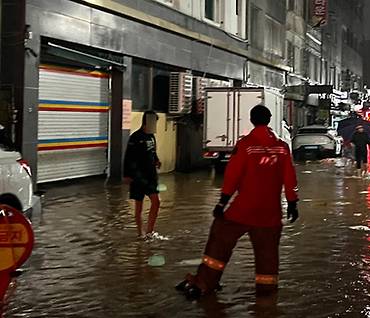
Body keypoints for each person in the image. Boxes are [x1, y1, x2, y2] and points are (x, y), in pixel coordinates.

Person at [177, 105, 299, 299]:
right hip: (270, 214)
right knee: (268, 255)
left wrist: (221, 204)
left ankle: (205, 282)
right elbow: (290, 178)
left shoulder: (246, 145)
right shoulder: (282, 148)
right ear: (269, 120)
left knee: (219, 239)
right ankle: (267, 297)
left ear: (252, 120)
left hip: (243, 210)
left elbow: (232, 177)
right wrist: (293, 203)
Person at [123, 111, 162, 238]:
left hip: (151, 175)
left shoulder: (151, 136)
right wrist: (127, 174)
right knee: (139, 205)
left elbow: (153, 151)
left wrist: (156, 160)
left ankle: (150, 231)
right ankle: (140, 233)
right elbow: (128, 157)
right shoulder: (135, 137)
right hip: (138, 176)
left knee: (156, 202)